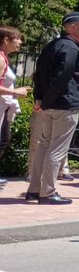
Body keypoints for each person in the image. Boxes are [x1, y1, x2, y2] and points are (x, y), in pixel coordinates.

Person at [26, 12, 79, 205]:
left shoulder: (52, 45)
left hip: (49, 105)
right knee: (57, 149)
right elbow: (62, 77)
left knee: (44, 146)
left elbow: (39, 75)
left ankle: (34, 189)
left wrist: (41, 99)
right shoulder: (71, 48)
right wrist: (48, 99)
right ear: (72, 27)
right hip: (64, 105)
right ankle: (48, 192)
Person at [0, 26, 31, 188]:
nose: (20, 42)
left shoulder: (3, 58)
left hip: (3, 107)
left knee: (3, 140)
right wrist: (15, 91)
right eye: (17, 39)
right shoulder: (0, 58)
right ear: (6, 40)